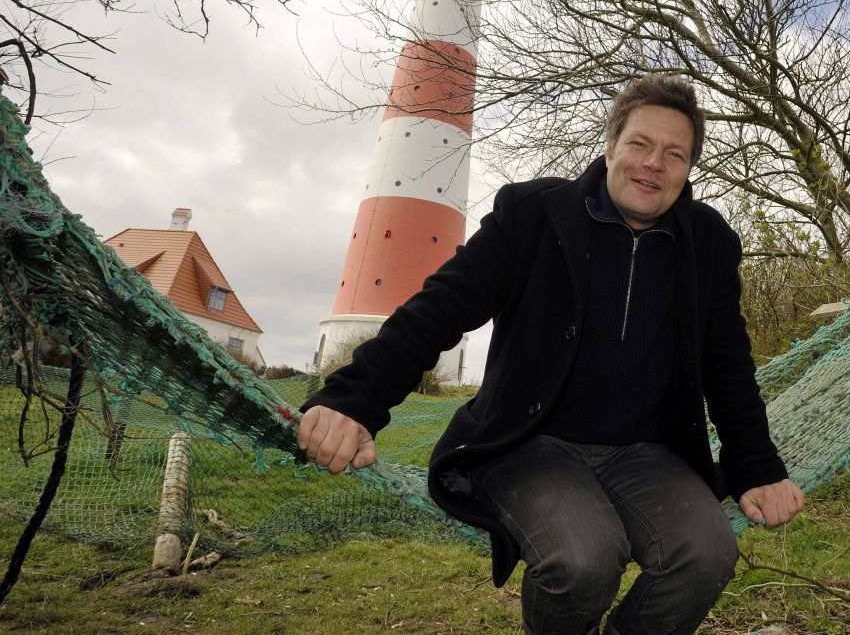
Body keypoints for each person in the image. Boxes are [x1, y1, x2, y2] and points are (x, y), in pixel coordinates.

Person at [299, 75, 803, 634]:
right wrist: (354, 399)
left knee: (707, 553)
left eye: (674, 153)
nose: (653, 163)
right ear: (611, 147)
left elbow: (727, 363)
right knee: (584, 559)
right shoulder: (534, 214)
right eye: (639, 144)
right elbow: (440, 309)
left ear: (688, 170)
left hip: (646, 453)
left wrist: (757, 467)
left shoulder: (707, 243)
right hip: (527, 445)